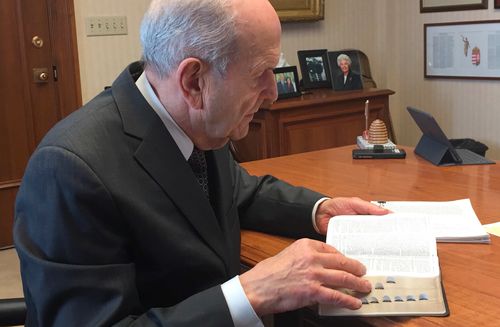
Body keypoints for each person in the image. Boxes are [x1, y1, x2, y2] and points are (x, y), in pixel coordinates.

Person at [13, 0, 389, 326]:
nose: (273, 93)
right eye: (260, 73)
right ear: (194, 81)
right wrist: (251, 292)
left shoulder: (197, 122)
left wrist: (320, 210)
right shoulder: (70, 170)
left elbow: (239, 191)